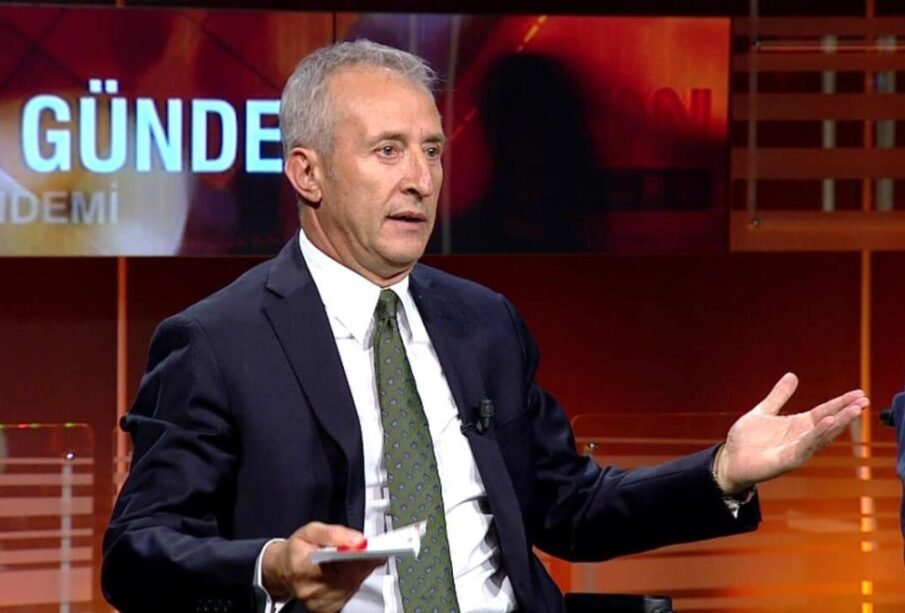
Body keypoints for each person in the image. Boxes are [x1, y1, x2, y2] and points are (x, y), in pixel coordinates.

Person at [101, 40, 868, 613]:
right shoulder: (217, 341)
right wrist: (271, 564)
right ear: (307, 173)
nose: (421, 179)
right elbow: (135, 552)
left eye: (432, 150)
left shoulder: (481, 321)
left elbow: (568, 506)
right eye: (387, 151)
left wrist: (721, 472)